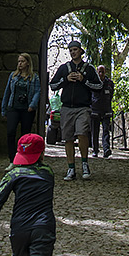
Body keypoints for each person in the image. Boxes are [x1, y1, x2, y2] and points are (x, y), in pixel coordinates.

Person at [48, 40, 101, 180]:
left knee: (82, 133)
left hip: (83, 107)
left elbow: (98, 86)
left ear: (81, 52)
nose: (73, 52)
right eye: (71, 50)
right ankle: (71, 168)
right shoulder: (64, 68)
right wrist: (65, 80)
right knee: (68, 138)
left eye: (75, 50)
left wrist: (83, 80)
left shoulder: (89, 69)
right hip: (66, 108)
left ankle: (84, 164)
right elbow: (53, 85)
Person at [1, 52, 41, 158]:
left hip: (26, 109)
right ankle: (12, 158)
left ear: (28, 63)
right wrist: (4, 108)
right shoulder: (13, 76)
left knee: (25, 136)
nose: (20, 63)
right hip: (13, 107)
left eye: (22, 61)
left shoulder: (34, 78)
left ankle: (23, 158)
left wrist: (32, 105)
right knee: (10, 132)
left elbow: (37, 92)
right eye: (19, 61)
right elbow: (7, 92)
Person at [89, 64, 115, 158]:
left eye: (102, 72)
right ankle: (95, 150)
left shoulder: (110, 83)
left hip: (106, 110)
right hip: (95, 110)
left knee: (106, 131)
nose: (101, 74)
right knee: (94, 132)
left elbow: (111, 95)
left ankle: (106, 149)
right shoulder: (93, 82)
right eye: (99, 72)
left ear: (105, 72)